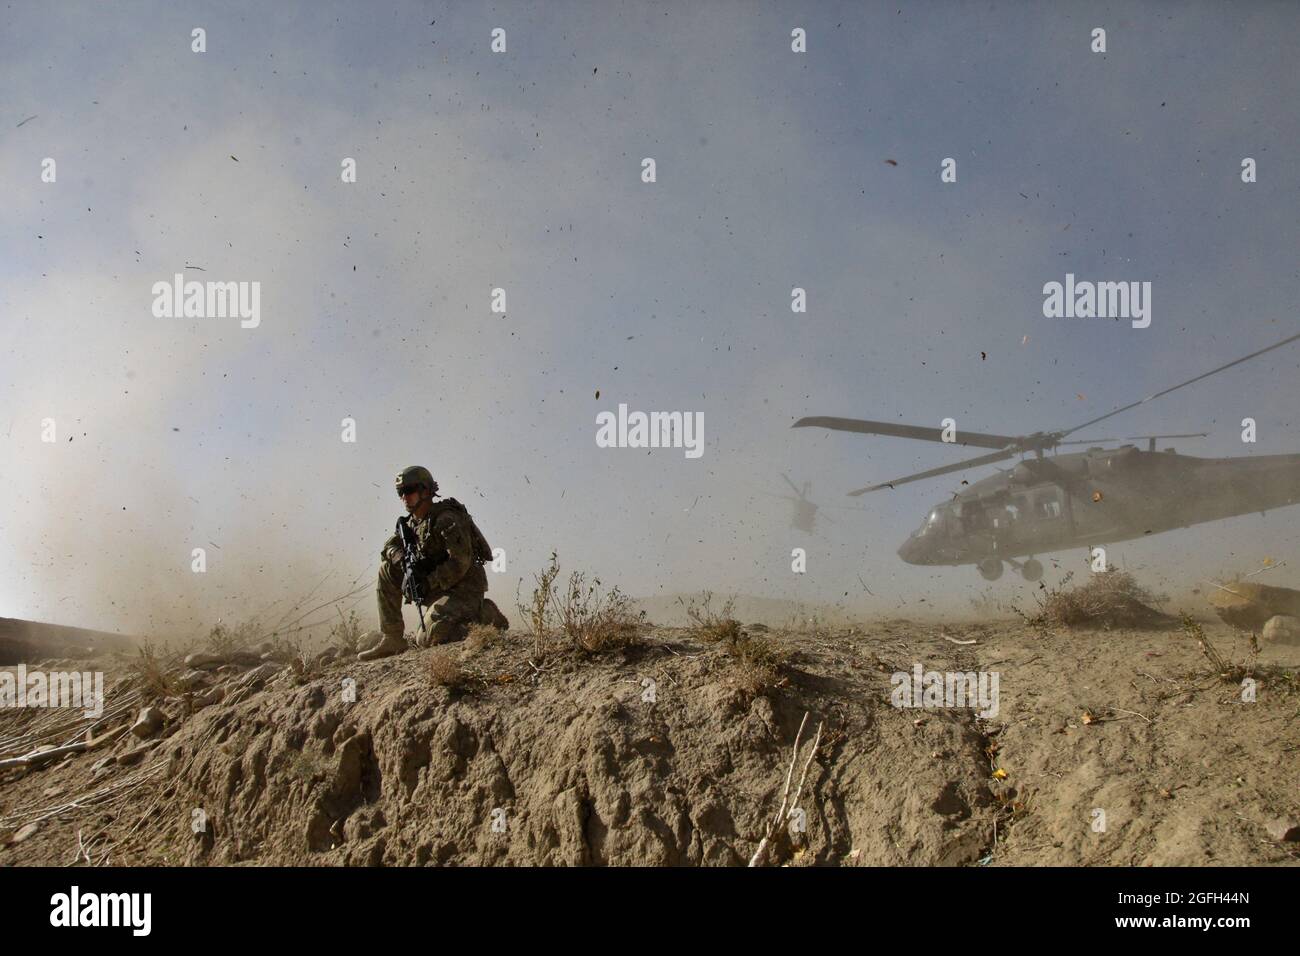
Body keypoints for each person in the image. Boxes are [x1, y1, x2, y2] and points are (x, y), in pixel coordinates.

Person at [358, 466, 508, 661]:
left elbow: (460, 562)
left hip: (462, 591)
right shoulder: (412, 523)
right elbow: (390, 545)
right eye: (400, 492)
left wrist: (428, 582)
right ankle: (392, 637)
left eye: (409, 490)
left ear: (426, 491)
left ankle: (486, 614)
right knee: (387, 570)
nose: (404, 497)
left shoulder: (446, 519)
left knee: (428, 638)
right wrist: (399, 558)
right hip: (437, 591)